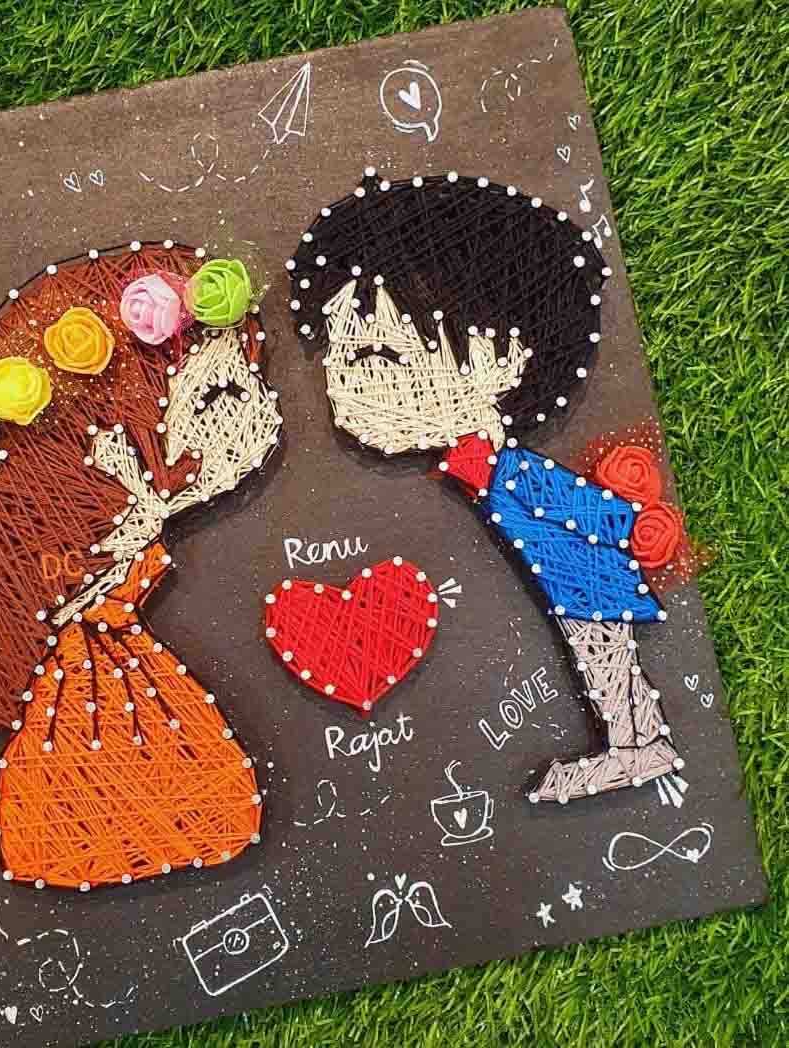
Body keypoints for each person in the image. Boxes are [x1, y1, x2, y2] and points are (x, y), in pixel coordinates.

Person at [288, 170, 684, 805]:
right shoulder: (478, 472)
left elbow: (578, 506)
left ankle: (637, 746)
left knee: (602, 653)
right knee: (597, 652)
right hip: (569, 575)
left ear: (502, 361)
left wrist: (627, 524)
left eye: (377, 359)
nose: (341, 383)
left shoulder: (514, 472)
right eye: (339, 352)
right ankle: (636, 743)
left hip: (584, 575)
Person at [0, 243, 282, 888]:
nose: (252, 415)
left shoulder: (116, 561)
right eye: (221, 394)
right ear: (110, 434)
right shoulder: (73, 592)